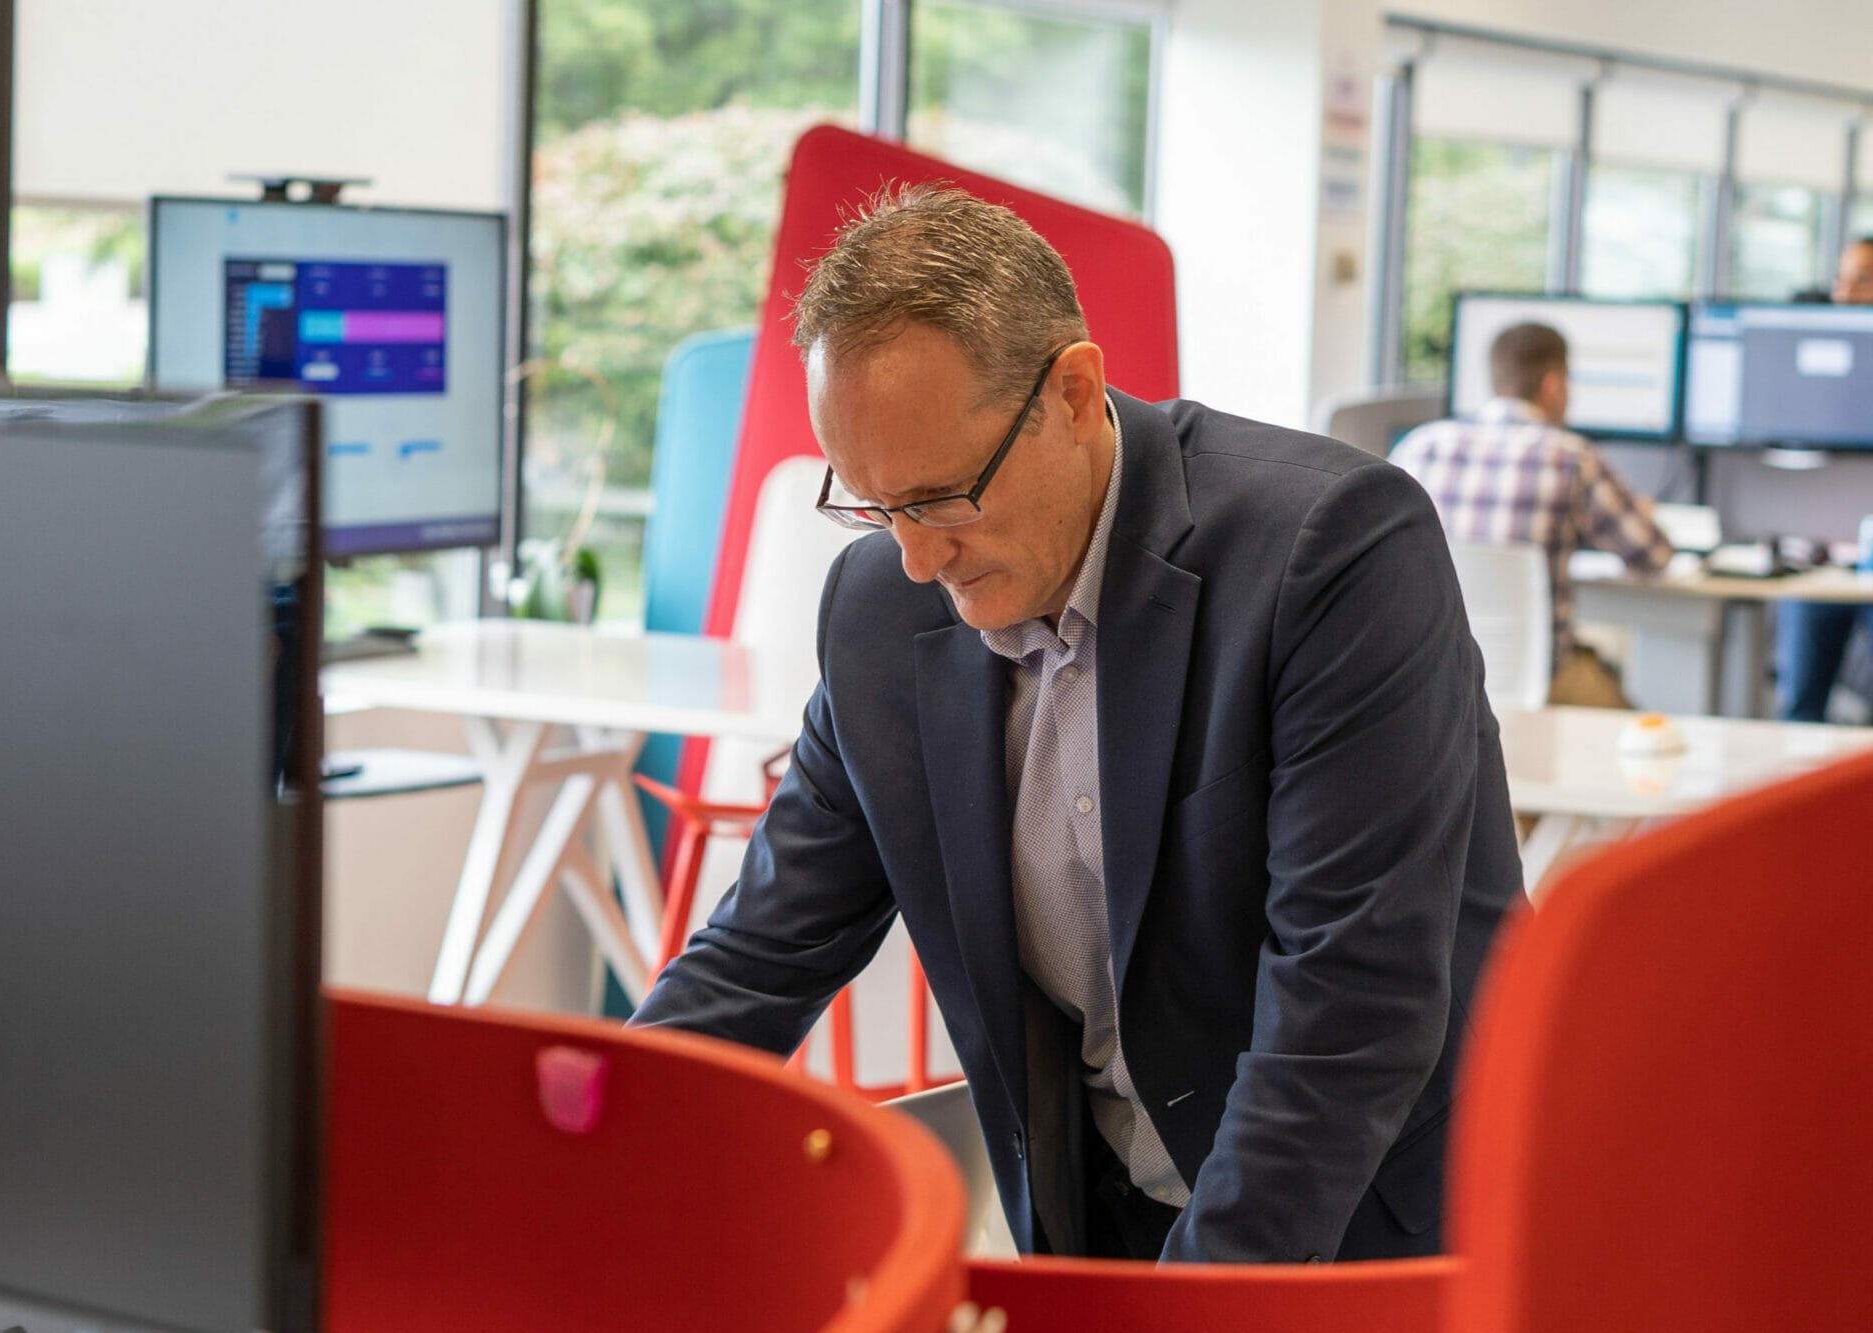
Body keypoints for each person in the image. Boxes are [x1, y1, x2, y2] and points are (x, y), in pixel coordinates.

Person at [632, 185, 1520, 1265]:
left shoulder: (1329, 549)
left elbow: (1346, 1014)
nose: (915, 558)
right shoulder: (878, 607)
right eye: (871, 506)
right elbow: (760, 954)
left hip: (1365, 1230)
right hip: (1099, 1220)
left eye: (942, 497)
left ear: (1072, 391)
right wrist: (581, 1157)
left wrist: (1177, 1330)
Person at [1390, 322, 1674, 708]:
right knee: (1643, 737)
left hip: (1433, 682)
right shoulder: (1572, 458)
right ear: (1554, 385)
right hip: (1544, 684)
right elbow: (1653, 557)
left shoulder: (1419, 448)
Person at [1772, 237, 1873, 723]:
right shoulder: (1813, 371)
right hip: (1816, 556)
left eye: (1862, 281)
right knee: (1800, 707)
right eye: (1841, 279)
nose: (1845, 294)